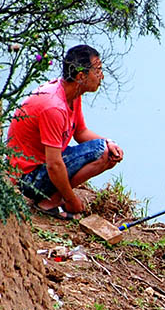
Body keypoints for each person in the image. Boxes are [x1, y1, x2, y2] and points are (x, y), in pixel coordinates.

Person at [7, 44, 124, 220]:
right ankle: (49, 202)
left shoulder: (72, 94)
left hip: (40, 166)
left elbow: (81, 132)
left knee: (107, 150)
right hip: (27, 177)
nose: (102, 76)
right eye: (98, 70)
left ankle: (54, 197)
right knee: (102, 150)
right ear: (81, 76)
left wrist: (110, 141)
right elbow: (54, 164)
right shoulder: (54, 107)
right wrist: (72, 200)